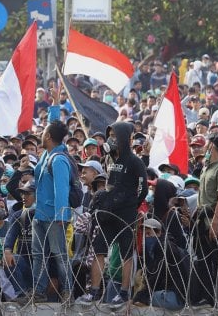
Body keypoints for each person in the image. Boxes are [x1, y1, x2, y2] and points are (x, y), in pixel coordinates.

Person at [78, 121, 148, 311]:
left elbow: (143, 189)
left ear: (124, 137)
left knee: (126, 253)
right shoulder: (109, 159)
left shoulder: (135, 161)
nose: (111, 139)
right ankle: (93, 291)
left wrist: (130, 204)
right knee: (99, 248)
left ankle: (124, 293)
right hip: (108, 213)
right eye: (110, 135)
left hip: (126, 214)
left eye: (115, 135)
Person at [19, 101, 73, 306]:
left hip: (54, 218)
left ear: (48, 137)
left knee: (59, 256)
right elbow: (54, 127)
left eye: (44, 133)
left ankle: (68, 293)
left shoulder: (58, 159)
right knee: (38, 256)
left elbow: (62, 190)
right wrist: (54, 107)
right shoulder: (47, 154)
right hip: (40, 215)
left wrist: (60, 216)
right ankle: (38, 292)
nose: (40, 134)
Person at [191, 132, 218, 306]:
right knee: (202, 260)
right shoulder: (208, 167)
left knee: (216, 260)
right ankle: (205, 296)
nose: (206, 146)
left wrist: (215, 223)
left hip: (213, 219)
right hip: (201, 219)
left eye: (208, 143)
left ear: (213, 146)